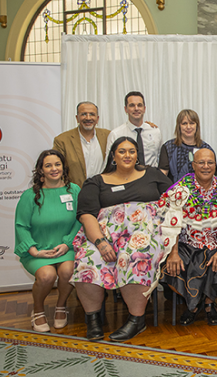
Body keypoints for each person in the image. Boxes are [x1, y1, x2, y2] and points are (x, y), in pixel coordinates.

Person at [70, 137, 172, 342]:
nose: (128, 155)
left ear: (137, 155)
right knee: (88, 259)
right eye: (122, 151)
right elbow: (86, 214)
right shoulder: (96, 181)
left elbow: (174, 200)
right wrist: (100, 242)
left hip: (146, 232)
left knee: (133, 256)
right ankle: (93, 319)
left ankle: (137, 319)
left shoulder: (152, 174)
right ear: (113, 156)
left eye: (132, 151)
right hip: (105, 234)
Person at [160, 148, 217, 326]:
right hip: (185, 243)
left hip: (216, 243)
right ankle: (193, 305)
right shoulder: (181, 188)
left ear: (215, 165)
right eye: (201, 162)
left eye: (210, 162)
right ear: (193, 165)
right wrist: (173, 252)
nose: (206, 166)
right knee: (171, 266)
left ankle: (207, 304)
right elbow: (171, 221)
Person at [14, 150, 81, 332]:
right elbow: (21, 226)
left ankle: (61, 307)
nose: (54, 169)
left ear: (63, 167)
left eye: (57, 164)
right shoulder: (30, 196)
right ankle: (38, 310)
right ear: (41, 170)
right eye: (48, 165)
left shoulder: (74, 190)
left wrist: (67, 243)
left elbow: (79, 219)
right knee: (47, 276)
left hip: (65, 247)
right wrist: (33, 250)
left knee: (67, 273)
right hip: (38, 250)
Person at [53, 102, 110, 187]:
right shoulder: (62, 140)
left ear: (97, 119)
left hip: (104, 191)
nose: (88, 118)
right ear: (77, 118)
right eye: (83, 114)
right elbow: (57, 169)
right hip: (75, 193)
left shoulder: (108, 136)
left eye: (92, 114)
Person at [106, 91, 163, 167]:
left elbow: (161, 159)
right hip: (126, 177)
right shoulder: (116, 134)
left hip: (151, 176)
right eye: (132, 105)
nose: (136, 109)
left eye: (139, 105)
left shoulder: (155, 131)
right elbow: (110, 163)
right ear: (126, 109)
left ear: (144, 109)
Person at [158, 109, 213, 183]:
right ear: (179, 126)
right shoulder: (168, 147)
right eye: (184, 123)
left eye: (192, 123)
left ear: (197, 126)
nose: (188, 127)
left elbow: (212, 176)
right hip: (175, 192)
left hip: (201, 193)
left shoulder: (206, 148)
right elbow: (162, 176)